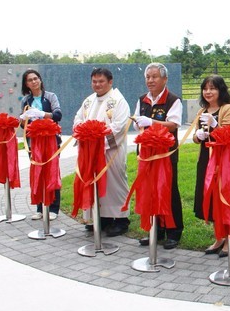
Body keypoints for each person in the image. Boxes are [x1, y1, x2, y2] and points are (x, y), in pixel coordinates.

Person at [74, 68, 131, 237]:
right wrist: (82, 132)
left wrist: (100, 141)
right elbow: (78, 119)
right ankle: (102, 218)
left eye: (101, 81)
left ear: (110, 82)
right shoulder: (89, 101)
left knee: (114, 183)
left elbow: (119, 126)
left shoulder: (118, 101)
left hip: (110, 151)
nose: (97, 85)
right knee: (94, 182)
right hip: (90, 152)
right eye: (94, 81)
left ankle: (121, 220)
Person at [132, 63, 184, 249]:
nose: (150, 80)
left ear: (164, 79)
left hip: (165, 155)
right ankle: (155, 229)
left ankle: (174, 231)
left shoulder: (173, 100)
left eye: (154, 77)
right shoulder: (142, 99)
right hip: (146, 154)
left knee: (168, 191)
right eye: (148, 77)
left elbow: (174, 124)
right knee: (150, 191)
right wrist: (138, 123)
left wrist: (152, 122)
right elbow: (137, 120)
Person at [192, 75, 230, 257]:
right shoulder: (202, 110)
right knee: (209, 197)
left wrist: (215, 125)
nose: (208, 92)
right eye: (205, 88)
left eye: (213, 88)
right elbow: (195, 136)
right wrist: (199, 136)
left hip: (223, 160)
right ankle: (218, 237)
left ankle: (228, 239)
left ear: (221, 90)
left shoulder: (228, 108)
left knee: (222, 196)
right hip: (206, 157)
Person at [19, 69, 62, 221]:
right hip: (34, 143)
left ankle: (54, 207)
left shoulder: (50, 96)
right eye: (30, 80)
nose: (34, 82)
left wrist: (42, 114)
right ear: (26, 84)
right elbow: (23, 126)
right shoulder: (26, 101)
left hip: (51, 141)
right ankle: (40, 207)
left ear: (40, 80)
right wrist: (24, 119)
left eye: (36, 78)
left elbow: (58, 115)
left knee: (52, 172)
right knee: (37, 173)